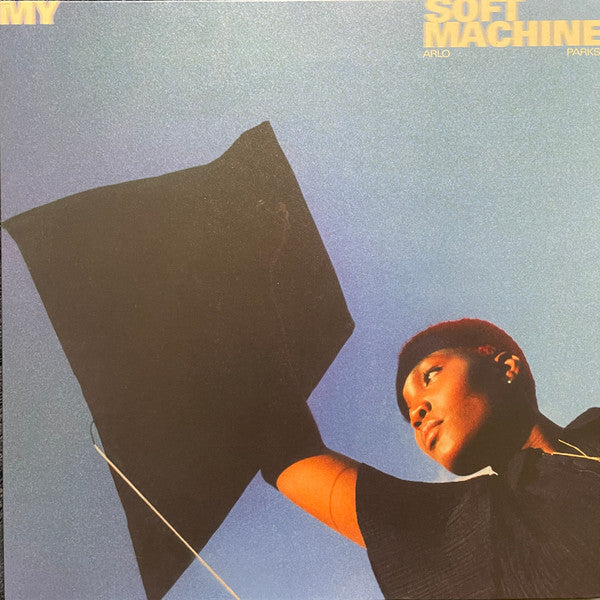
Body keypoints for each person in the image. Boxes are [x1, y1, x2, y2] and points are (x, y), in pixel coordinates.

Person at [261, 318, 600, 599]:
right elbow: (291, 455)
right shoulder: (476, 530)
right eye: (409, 412)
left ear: (505, 366)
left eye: (431, 375)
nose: (417, 413)